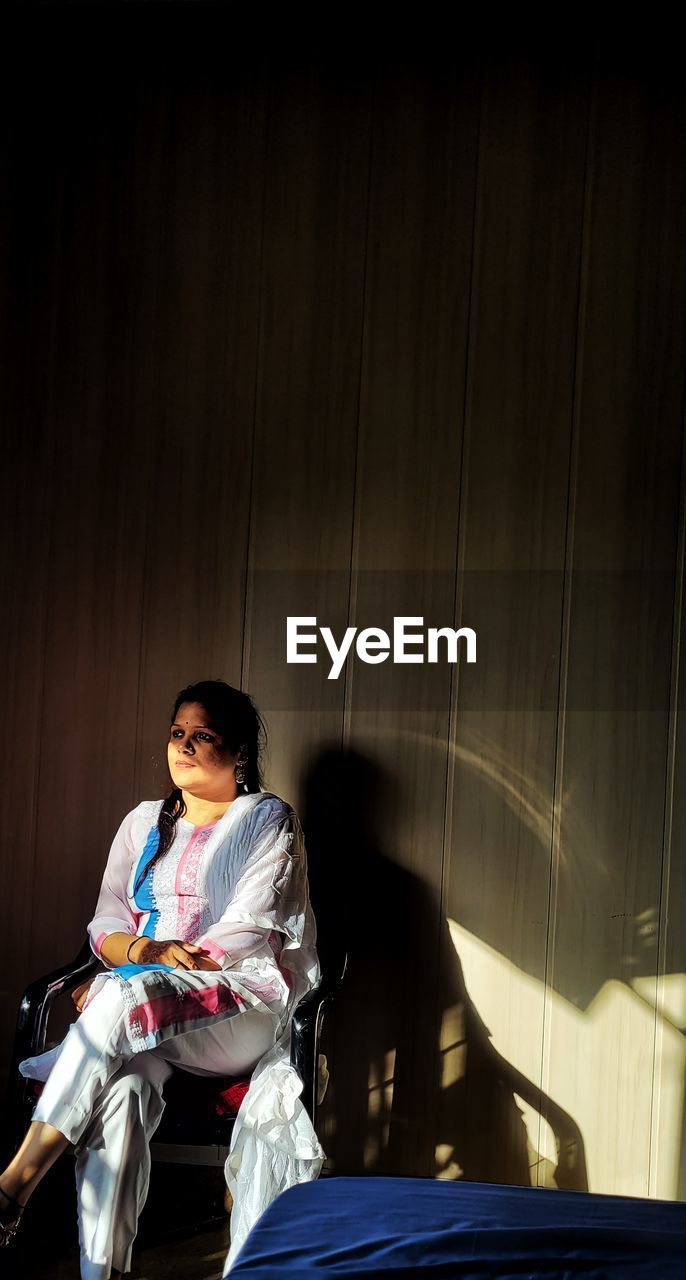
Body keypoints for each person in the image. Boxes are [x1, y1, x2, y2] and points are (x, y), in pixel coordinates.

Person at [0, 679, 321, 1279]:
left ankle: (14, 1184)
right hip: (145, 1017)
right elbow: (106, 921)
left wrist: (139, 975)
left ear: (240, 753)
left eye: (204, 736)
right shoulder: (143, 822)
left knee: (120, 994)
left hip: (237, 1008)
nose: (185, 747)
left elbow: (248, 930)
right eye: (178, 734)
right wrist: (142, 950)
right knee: (122, 1091)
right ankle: (105, 1272)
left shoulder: (267, 818)